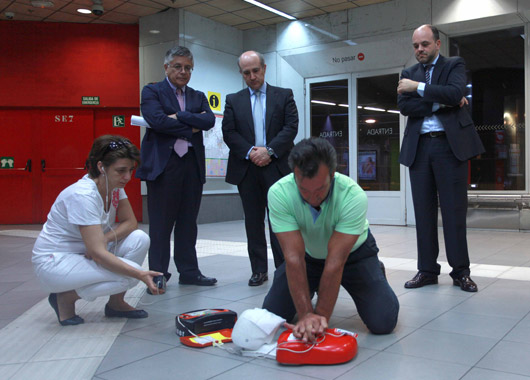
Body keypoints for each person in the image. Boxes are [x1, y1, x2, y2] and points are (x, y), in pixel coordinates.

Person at [262, 138, 399, 342]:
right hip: (308, 256)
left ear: (333, 175)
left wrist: (319, 318)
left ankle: (375, 271)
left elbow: (335, 262)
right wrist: (306, 313)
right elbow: (293, 258)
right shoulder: (279, 193)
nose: (312, 198)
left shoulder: (352, 196)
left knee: (383, 321)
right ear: (294, 176)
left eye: (319, 189)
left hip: (354, 256)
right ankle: (313, 284)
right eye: (304, 190)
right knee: (272, 314)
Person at [33, 135, 162, 326]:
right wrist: (140, 275)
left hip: (88, 252)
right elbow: (97, 254)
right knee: (129, 276)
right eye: (121, 171)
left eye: (130, 170)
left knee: (140, 238)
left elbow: (130, 222)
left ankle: (116, 304)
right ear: (101, 167)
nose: (128, 177)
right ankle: (65, 298)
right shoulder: (83, 195)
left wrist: (104, 239)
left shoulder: (114, 186)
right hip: (56, 261)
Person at [397, 24, 485, 292]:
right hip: (420, 148)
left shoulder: (454, 65)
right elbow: (404, 106)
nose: (419, 50)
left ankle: (460, 272)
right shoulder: (407, 73)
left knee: (453, 212)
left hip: (450, 147)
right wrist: (441, 100)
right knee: (423, 214)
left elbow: (456, 92)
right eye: (415, 46)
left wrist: (419, 88)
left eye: (424, 44)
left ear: (437, 44)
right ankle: (427, 271)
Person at [136, 46, 217, 286]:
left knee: (187, 223)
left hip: (191, 165)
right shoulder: (152, 90)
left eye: (188, 68)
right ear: (166, 67)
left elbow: (209, 120)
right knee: (161, 224)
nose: (183, 72)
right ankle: (158, 275)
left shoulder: (197, 95)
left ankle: (190, 272)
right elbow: (157, 121)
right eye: (178, 66)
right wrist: (192, 122)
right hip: (164, 166)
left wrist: (178, 116)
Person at [222, 50, 298, 287]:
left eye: (256, 70)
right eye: (247, 73)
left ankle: (283, 268)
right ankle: (258, 270)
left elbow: (290, 127)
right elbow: (229, 132)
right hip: (247, 169)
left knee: (279, 221)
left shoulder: (283, 95)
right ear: (241, 74)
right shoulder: (234, 100)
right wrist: (251, 152)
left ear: (264, 68)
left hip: (277, 168)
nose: (252, 76)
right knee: (253, 222)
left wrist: (269, 151)